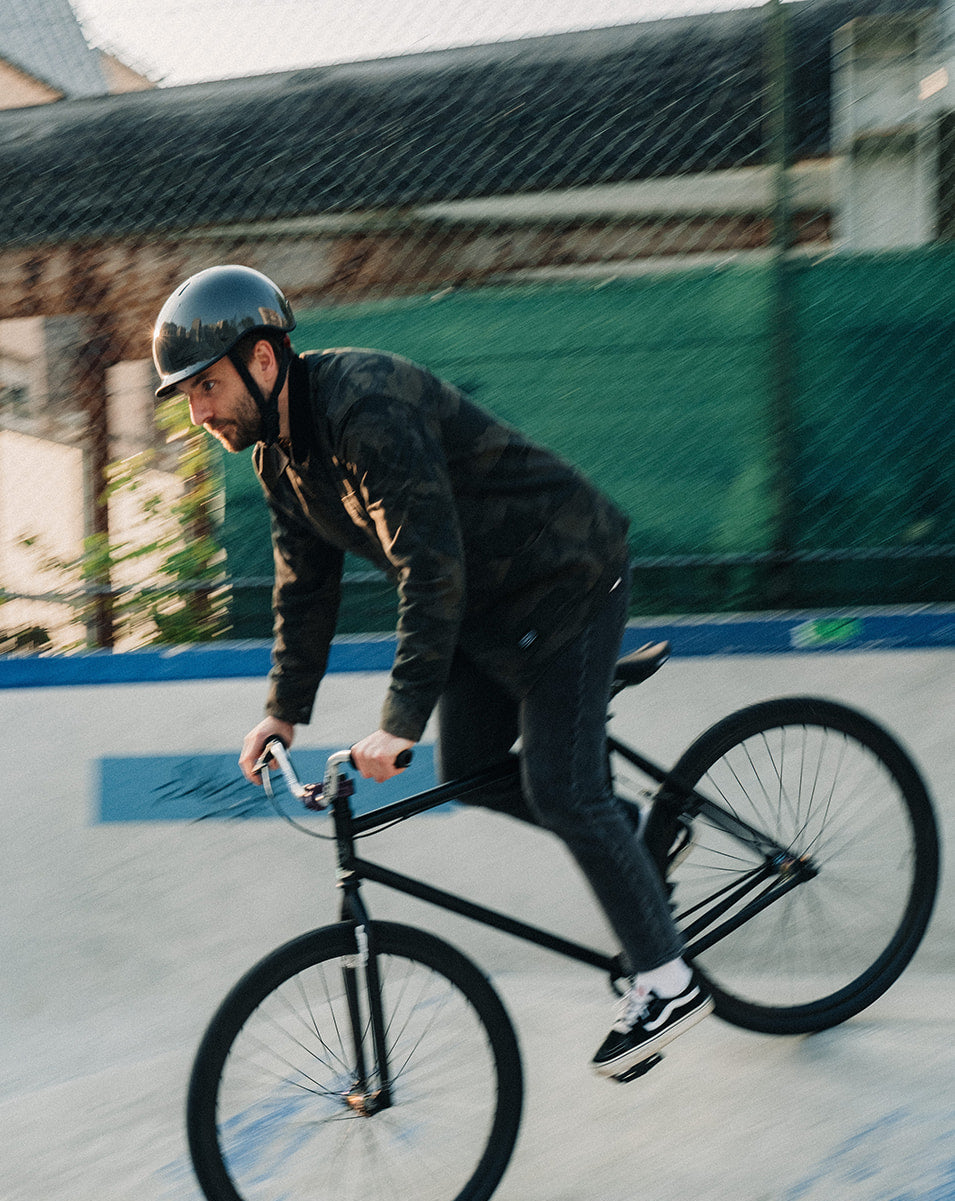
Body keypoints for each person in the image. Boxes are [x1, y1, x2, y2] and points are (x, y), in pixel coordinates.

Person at [151, 264, 712, 1076]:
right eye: (189, 398)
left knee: (562, 785)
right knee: (478, 770)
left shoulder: (365, 404)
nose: (198, 412)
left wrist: (396, 724)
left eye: (205, 387)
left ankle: (667, 982)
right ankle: (630, 836)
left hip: (565, 576)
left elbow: (430, 568)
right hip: (486, 608)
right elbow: (304, 588)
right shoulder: (276, 458)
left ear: (264, 361)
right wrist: (283, 711)